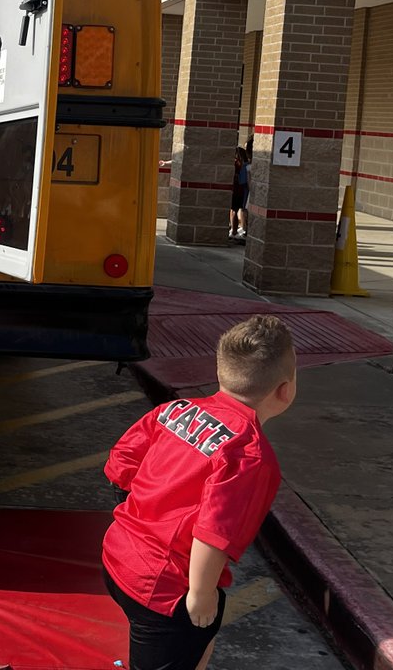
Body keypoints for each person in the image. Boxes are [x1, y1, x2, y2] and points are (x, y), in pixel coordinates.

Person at [102, 315, 297, 670]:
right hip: (163, 590)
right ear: (285, 390)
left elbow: (120, 465)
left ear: (222, 372)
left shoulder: (176, 410)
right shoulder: (250, 455)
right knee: (203, 614)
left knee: (194, 639)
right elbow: (214, 534)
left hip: (118, 556)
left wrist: (143, 522)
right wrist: (200, 594)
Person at [229, 146, 249, 242]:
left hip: (236, 190)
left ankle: (234, 231)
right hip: (242, 191)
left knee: (233, 211)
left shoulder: (236, 164)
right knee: (240, 211)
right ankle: (237, 230)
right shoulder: (245, 164)